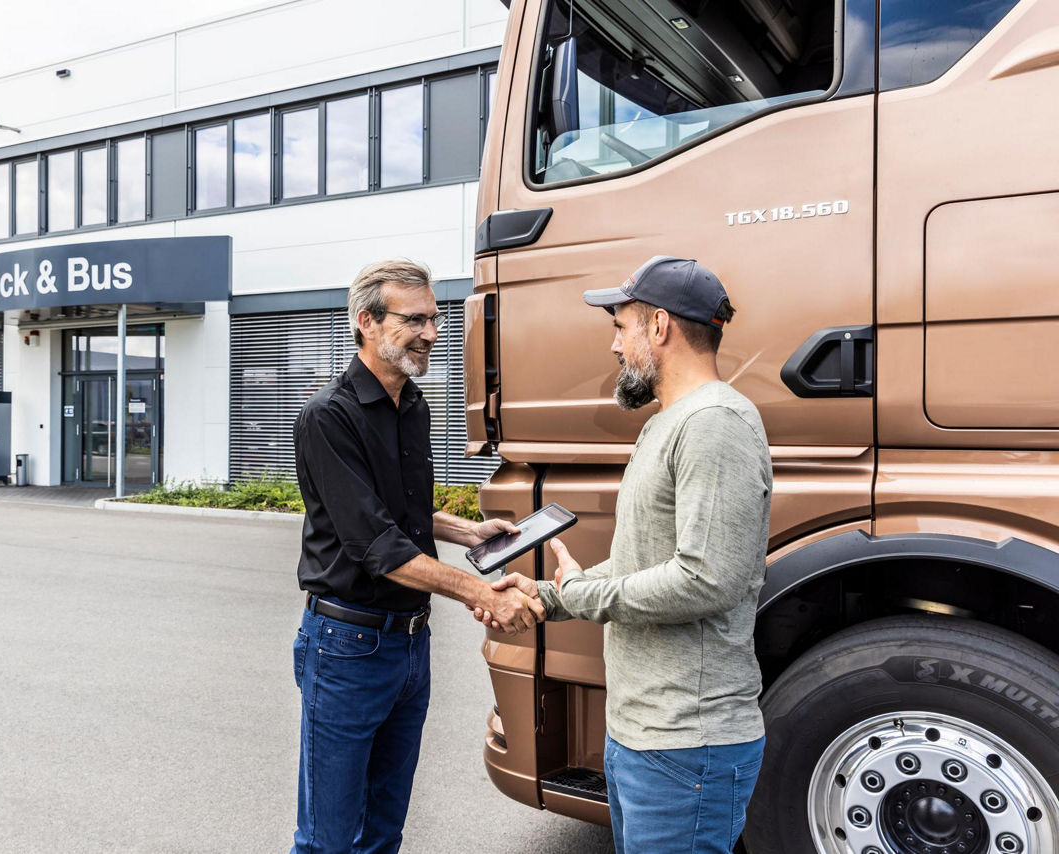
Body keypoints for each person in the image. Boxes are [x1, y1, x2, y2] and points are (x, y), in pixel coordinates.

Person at [480, 255, 772, 854]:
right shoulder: (667, 424)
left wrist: (586, 596)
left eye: (621, 326)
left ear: (659, 326)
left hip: (687, 742)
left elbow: (705, 579)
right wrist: (552, 598)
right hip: (643, 734)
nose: (615, 346)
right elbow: (644, 560)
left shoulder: (715, 423)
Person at [291, 259, 544, 854]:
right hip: (347, 648)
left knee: (384, 829)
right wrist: (479, 591)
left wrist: (470, 532)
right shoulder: (329, 417)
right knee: (329, 837)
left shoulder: (414, 406)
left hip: (409, 644)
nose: (432, 332)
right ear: (367, 322)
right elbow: (375, 544)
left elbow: (400, 513)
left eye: (435, 317)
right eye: (415, 320)